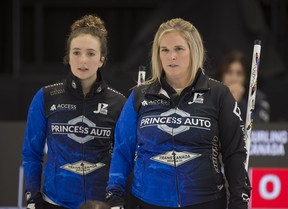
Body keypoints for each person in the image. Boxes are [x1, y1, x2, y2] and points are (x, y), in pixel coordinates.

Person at [105, 18, 251, 209]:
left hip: (205, 200)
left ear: (194, 51)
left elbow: (234, 153)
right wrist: (114, 196)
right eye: (164, 50)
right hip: (147, 201)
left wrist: (239, 201)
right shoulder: (139, 96)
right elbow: (122, 152)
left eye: (179, 49)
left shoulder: (218, 94)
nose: (171, 56)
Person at [21, 14, 126, 209]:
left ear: (102, 59)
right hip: (55, 202)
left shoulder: (118, 102)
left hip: (100, 203)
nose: (82, 60)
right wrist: (32, 197)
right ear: (68, 56)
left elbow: (124, 156)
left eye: (91, 53)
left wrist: (117, 199)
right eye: (76, 52)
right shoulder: (46, 96)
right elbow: (31, 153)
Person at [215, 50, 270, 122]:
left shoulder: (257, 99)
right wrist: (229, 103)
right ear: (221, 76)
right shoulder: (210, 97)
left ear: (246, 78)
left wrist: (238, 104)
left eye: (239, 73)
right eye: (229, 72)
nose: (234, 78)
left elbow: (259, 128)